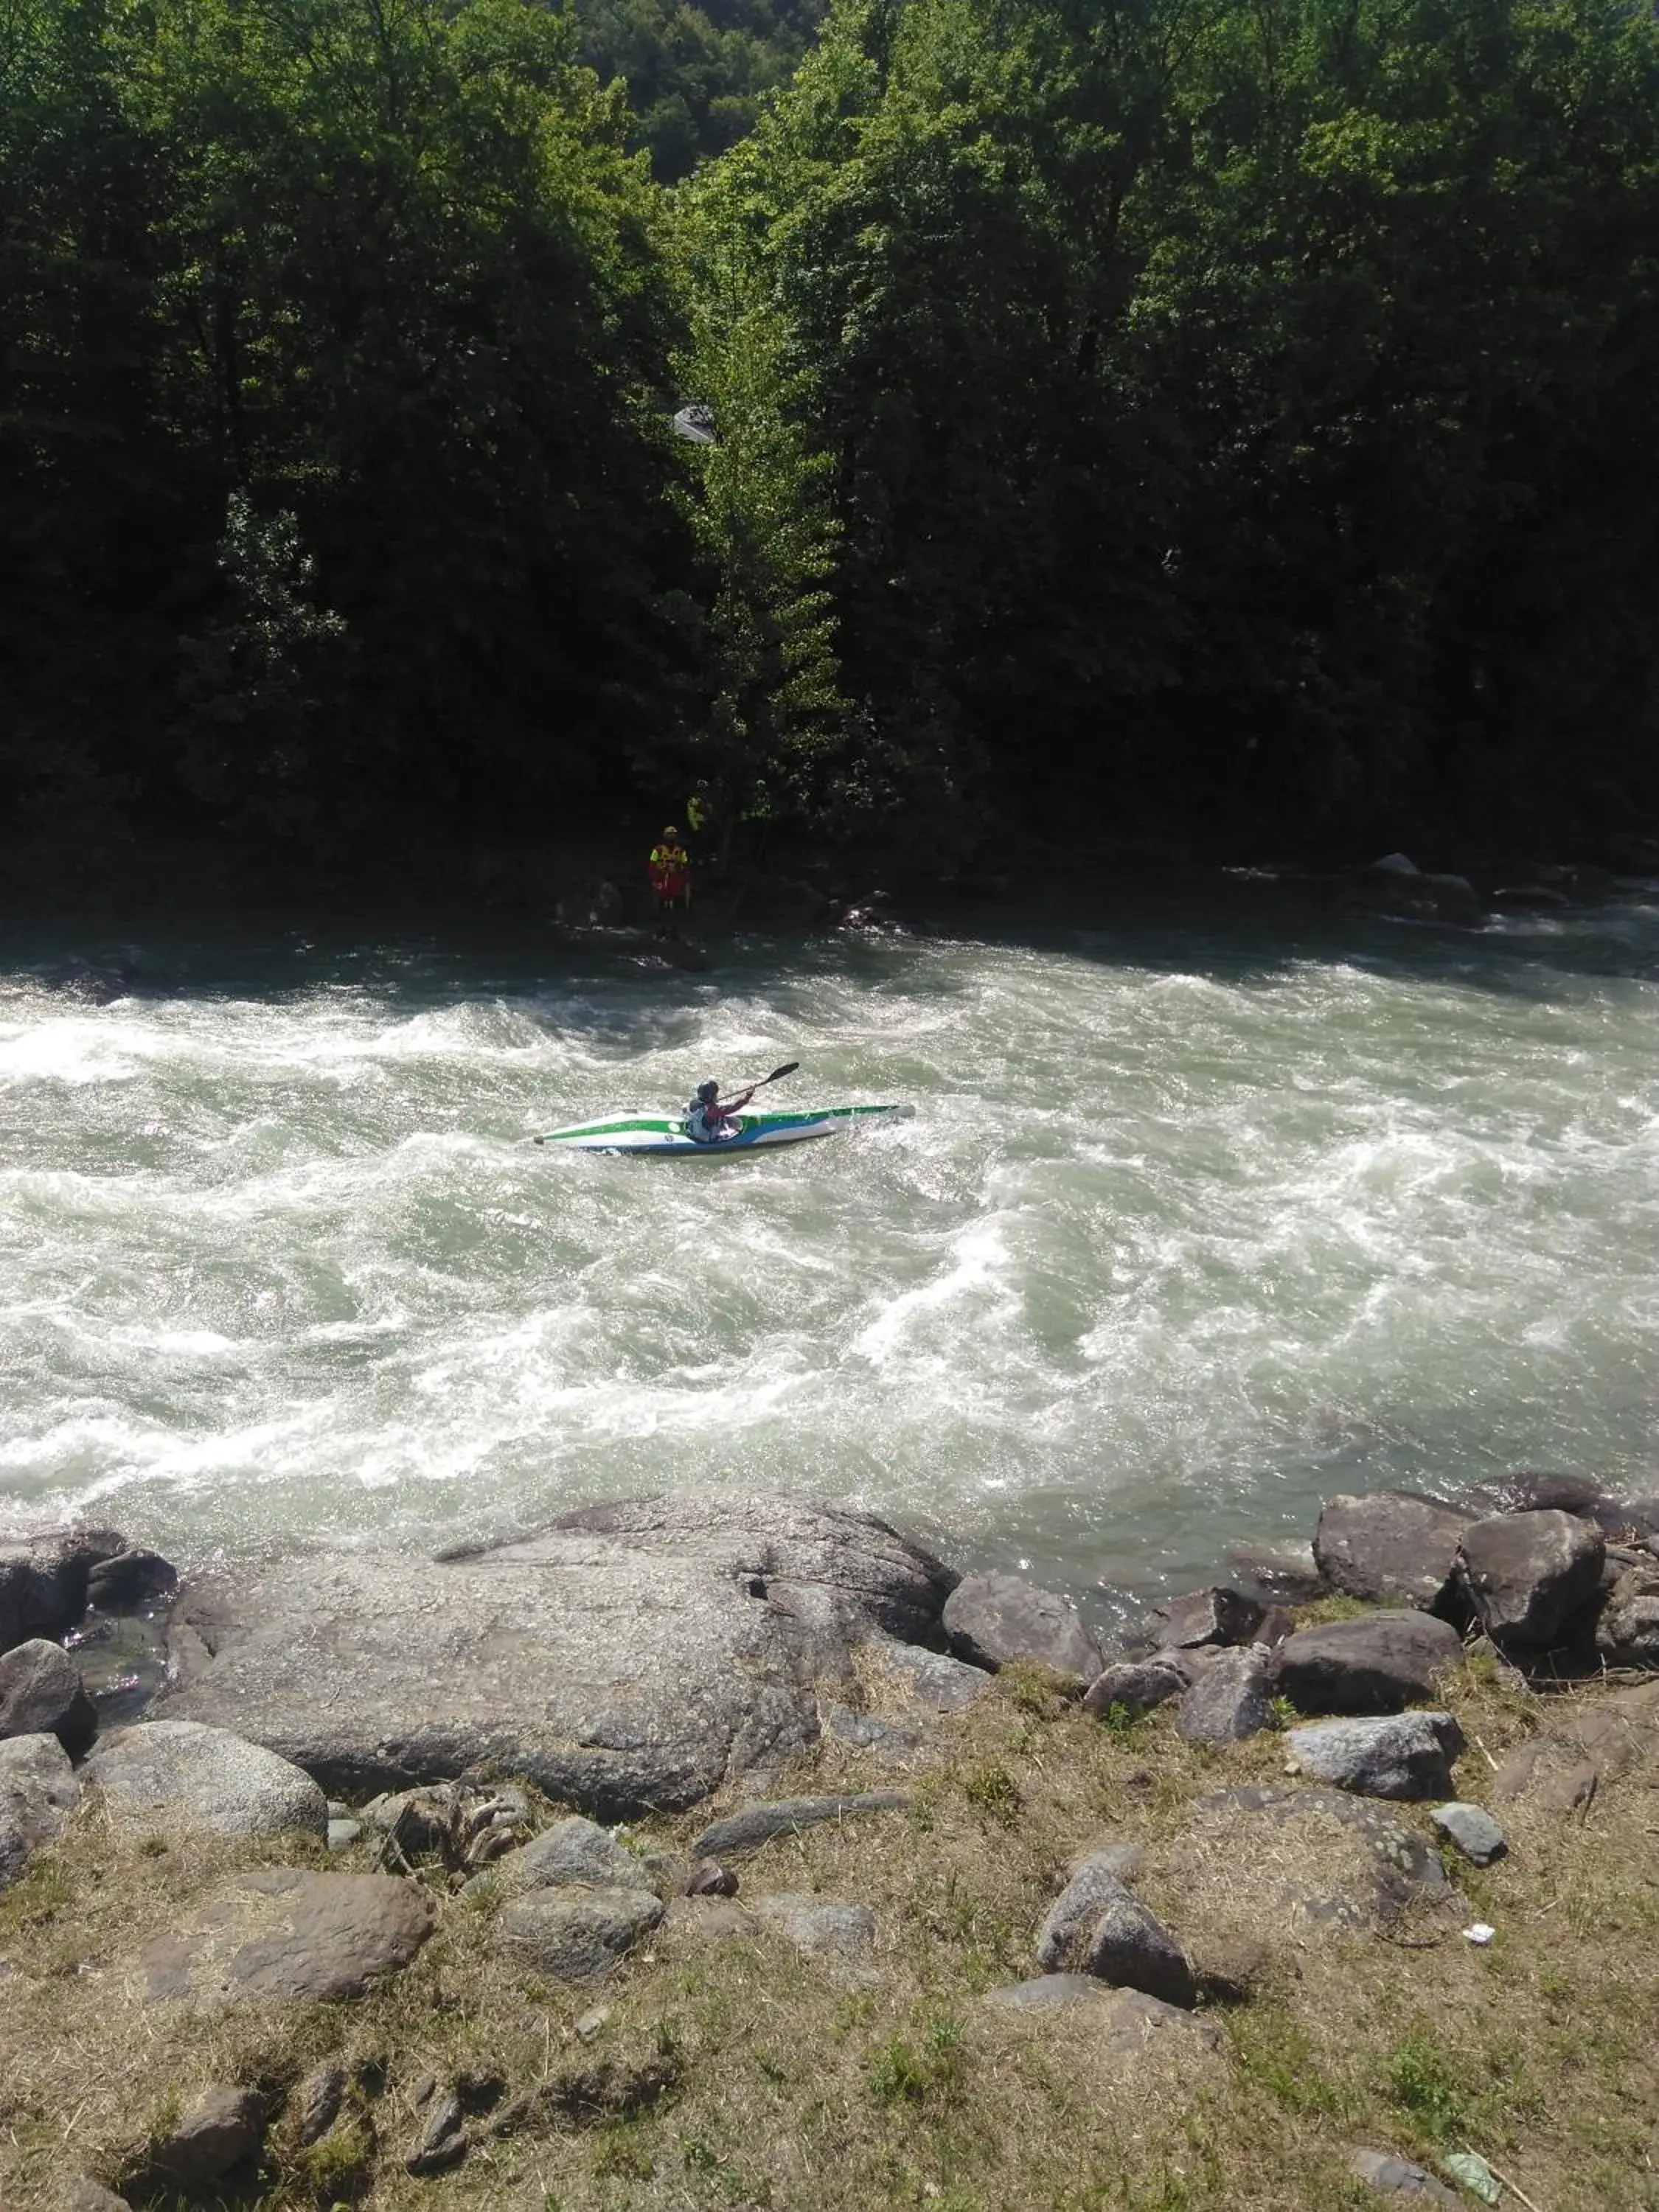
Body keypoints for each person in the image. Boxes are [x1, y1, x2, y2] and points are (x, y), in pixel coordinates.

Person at [684, 1077, 755, 1144]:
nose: (717, 1096)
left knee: (718, 1118)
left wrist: (713, 1102)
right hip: (706, 1139)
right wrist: (748, 1096)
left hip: (694, 1133)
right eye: (715, 1095)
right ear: (711, 1096)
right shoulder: (713, 1110)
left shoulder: (693, 1102)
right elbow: (733, 1107)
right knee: (731, 1121)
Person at [647, 827, 690, 931]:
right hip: (661, 879)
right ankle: (661, 928)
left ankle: (673, 929)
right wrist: (654, 880)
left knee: (674, 905)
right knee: (661, 903)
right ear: (665, 837)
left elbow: (685, 867)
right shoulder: (658, 850)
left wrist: (686, 882)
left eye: (673, 835)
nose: (671, 837)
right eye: (669, 835)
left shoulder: (681, 852)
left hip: (674, 880)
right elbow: (652, 865)